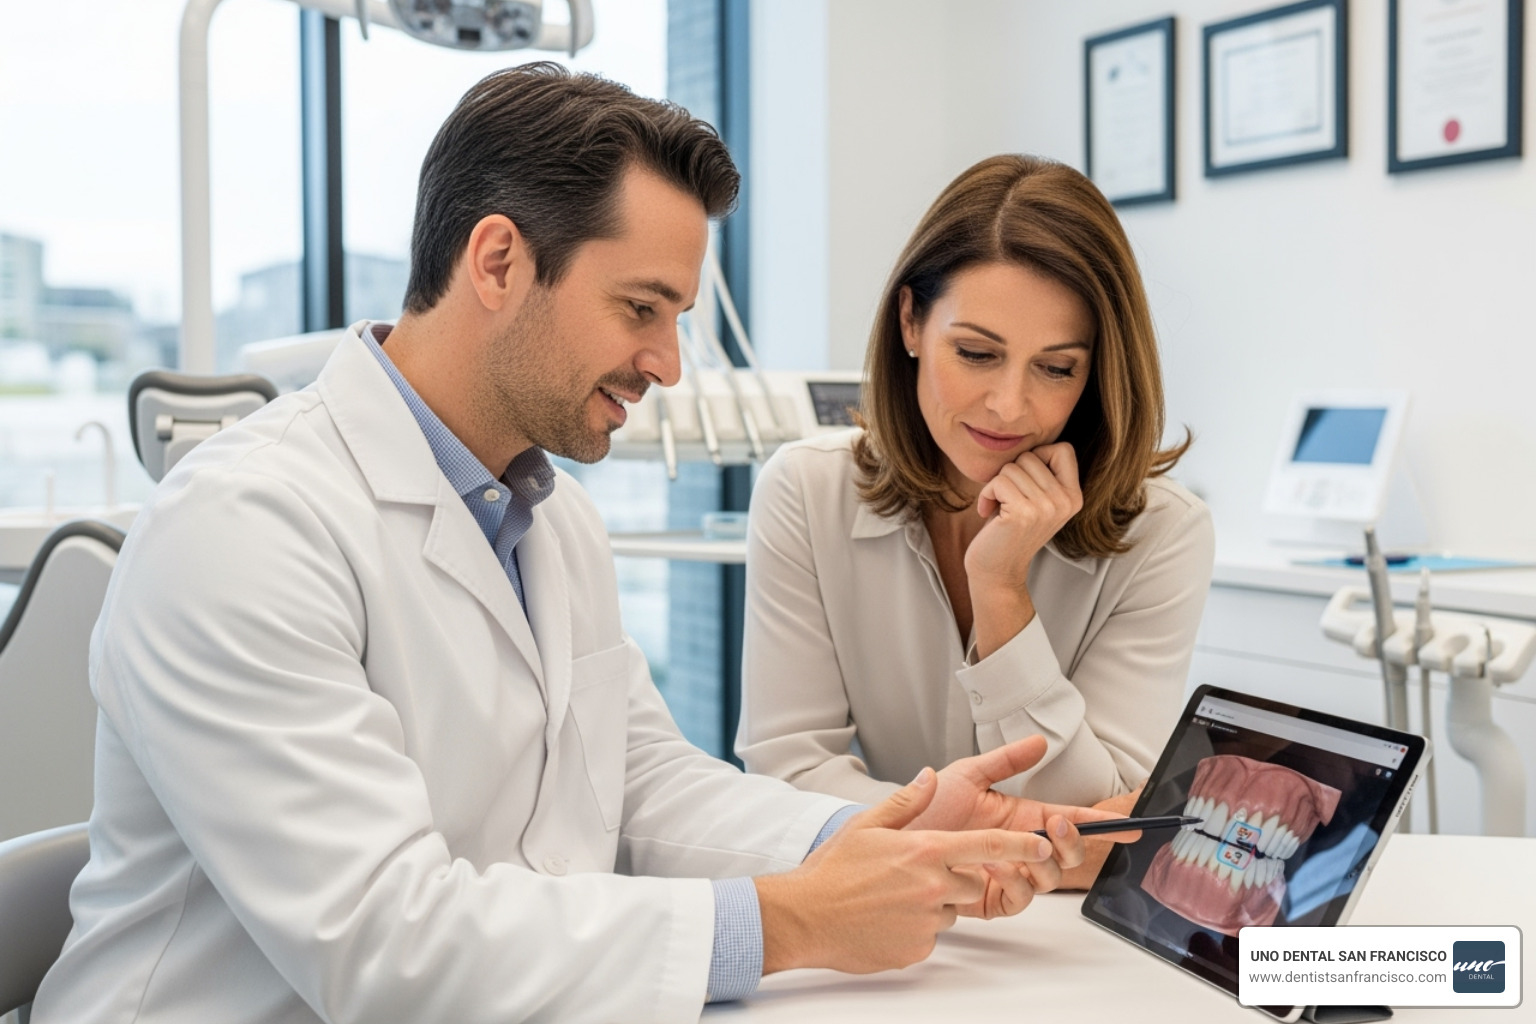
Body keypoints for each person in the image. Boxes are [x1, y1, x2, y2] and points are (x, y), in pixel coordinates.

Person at [29, 69, 1129, 1024]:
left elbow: (641, 787)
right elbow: (381, 940)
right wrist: (788, 921)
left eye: (678, 318)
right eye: (642, 308)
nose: (668, 364)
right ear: (499, 262)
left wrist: (876, 829)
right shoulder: (245, 528)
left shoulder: (549, 517)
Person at [737, 155, 1216, 884]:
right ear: (911, 323)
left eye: (1056, 368)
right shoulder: (806, 491)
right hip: (871, 906)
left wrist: (1001, 594)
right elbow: (786, 776)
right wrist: (988, 829)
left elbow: (1109, 829)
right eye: (976, 353)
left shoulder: (1164, 533)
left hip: (1067, 944)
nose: (1008, 407)